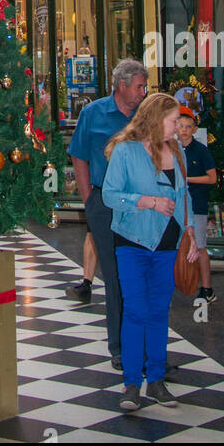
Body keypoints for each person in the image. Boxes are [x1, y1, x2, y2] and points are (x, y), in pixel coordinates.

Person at [102, 93, 199, 412]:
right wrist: (147, 201)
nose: (178, 128)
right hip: (132, 242)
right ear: (156, 120)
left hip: (169, 245)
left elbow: (184, 196)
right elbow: (111, 196)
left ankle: (156, 380)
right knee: (135, 311)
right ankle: (131, 384)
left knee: (159, 311)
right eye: (173, 121)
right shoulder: (126, 152)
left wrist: (192, 237)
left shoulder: (177, 151)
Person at [68, 59, 149, 370]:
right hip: (106, 202)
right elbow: (79, 155)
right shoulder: (94, 113)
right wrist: (90, 200)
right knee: (115, 276)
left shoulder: (145, 115)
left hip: (142, 204)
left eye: (144, 86)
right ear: (122, 85)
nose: (143, 92)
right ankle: (119, 346)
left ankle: (147, 346)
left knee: (141, 274)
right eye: (139, 86)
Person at [176, 107, 217, 302]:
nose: (184, 130)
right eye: (181, 126)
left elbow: (212, 178)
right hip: (177, 205)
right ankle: (180, 280)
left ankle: (207, 288)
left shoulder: (201, 151)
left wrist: (189, 179)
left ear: (194, 129)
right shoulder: (172, 149)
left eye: (188, 127)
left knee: (200, 246)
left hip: (197, 204)